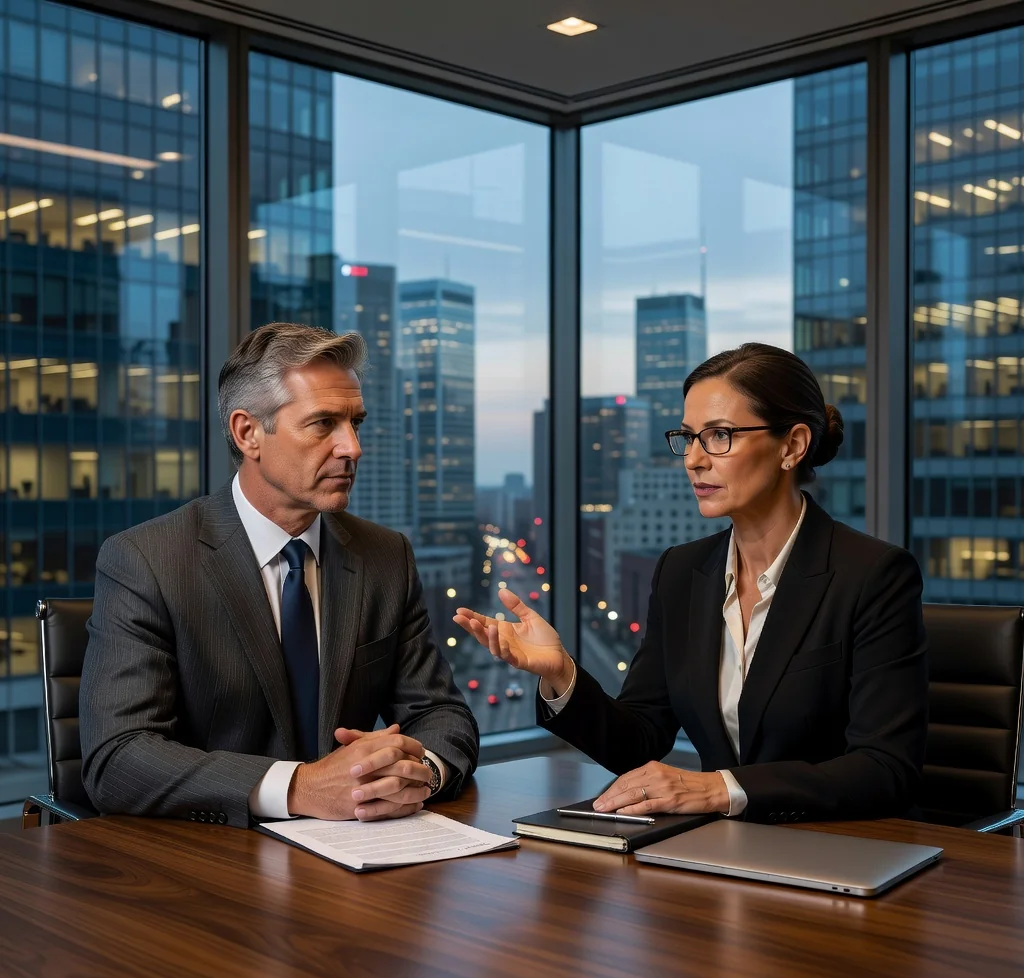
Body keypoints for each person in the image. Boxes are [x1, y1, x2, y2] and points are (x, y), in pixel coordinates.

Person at [455, 343, 928, 823]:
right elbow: (640, 740)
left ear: (793, 445)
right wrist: (560, 674)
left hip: (839, 855)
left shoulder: (873, 574)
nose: (694, 459)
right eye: (688, 437)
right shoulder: (682, 572)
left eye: (719, 435)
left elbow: (885, 769)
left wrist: (719, 788)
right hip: (716, 856)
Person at [80, 322, 478, 827]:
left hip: (360, 857)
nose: (352, 448)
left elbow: (443, 715)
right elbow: (116, 758)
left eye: (355, 423)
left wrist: (416, 772)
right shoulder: (147, 561)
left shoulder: (385, 557)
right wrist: (299, 788)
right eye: (323, 424)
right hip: (210, 861)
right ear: (249, 433)